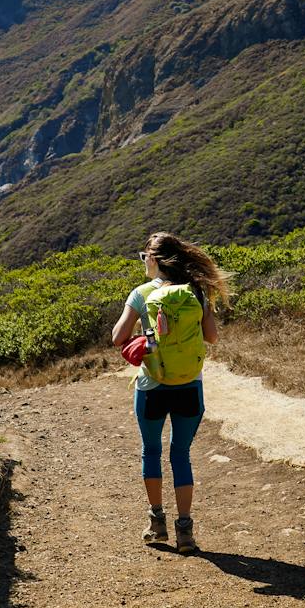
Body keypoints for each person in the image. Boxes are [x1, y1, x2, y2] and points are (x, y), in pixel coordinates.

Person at [111, 232, 231, 554]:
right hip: (189, 386)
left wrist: (146, 337)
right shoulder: (196, 292)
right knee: (181, 454)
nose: (143, 262)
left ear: (155, 259)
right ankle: (186, 532)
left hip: (152, 386)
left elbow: (117, 336)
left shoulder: (141, 293)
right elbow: (212, 338)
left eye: (144, 257)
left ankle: (157, 523)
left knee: (151, 451)